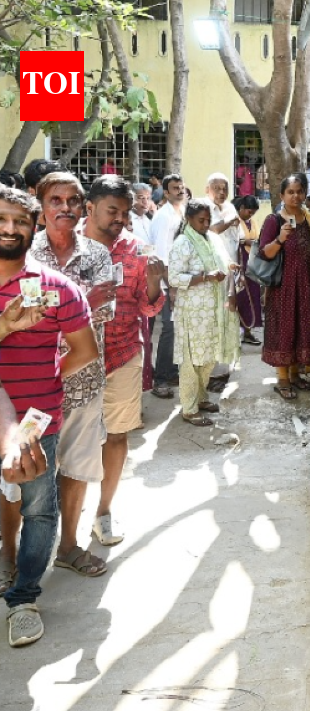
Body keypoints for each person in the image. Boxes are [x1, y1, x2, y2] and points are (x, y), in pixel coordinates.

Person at [0, 185, 98, 648]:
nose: (10, 229)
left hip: (38, 422)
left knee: (40, 509)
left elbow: (85, 350)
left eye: (21, 221)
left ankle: (23, 598)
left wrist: (48, 384)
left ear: (34, 226)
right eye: (2, 219)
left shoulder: (59, 288)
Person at [29, 173, 116, 579]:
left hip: (83, 381)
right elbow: (23, 319)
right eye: (55, 199)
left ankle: (68, 547)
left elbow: (104, 310)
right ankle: (14, 559)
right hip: (29, 386)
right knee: (24, 475)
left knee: (77, 467)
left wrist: (53, 307)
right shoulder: (23, 254)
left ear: (83, 208)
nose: (65, 207)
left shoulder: (98, 254)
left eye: (73, 201)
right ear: (41, 204)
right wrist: (79, 301)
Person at [82, 175, 165, 551]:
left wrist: (152, 282)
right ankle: (57, 519)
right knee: (69, 443)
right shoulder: (68, 246)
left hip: (124, 352)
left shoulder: (134, 248)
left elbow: (149, 306)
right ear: (90, 208)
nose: (119, 219)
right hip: (73, 360)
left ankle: (103, 510)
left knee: (117, 436)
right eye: (112, 211)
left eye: (125, 212)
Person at [167, 201, 239, 426]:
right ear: (189, 218)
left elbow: (222, 261)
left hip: (213, 309)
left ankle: (201, 397)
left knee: (208, 357)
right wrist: (206, 277)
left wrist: (230, 267)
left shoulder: (212, 238)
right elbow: (174, 278)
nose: (206, 224)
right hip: (192, 312)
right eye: (201, 220)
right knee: (191, 361)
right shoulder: (183, 242)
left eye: (208, 220)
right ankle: (189, 409)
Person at [259, 174, 310, 399]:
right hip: (283, 288)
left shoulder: (309, 219)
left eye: (300, 191)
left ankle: (295, 375)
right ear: (281, 195)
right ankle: (283, 379)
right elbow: (263, 253)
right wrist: (280, 239)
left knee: (301, 328)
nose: (296, 196)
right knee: (284, 330)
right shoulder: (273, 221)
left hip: (306, 286)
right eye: (291, 192)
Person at [148, 173, 186, 399]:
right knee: (168, 329)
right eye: (174, 188)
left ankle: (171, 371)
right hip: (166, 281)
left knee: (176, 329)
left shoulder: (179, 212)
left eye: (181, 187)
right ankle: (160, 379)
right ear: (165, 191)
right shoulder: (163, 217)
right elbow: (161, 255)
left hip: (178, 279)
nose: (179, 191)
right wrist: (170, 287)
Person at [205, 173, 243, 393]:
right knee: (214, 320)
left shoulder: (229, 206)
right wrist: (229, 222)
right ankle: (212, 374)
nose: (221, 192)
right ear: (208, 189)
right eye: (217, 188)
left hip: (231, 268)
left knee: (229, 317)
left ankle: (224, 369)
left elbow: (235, 238)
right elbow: (213, 229)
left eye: (224, 188)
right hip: (213, 273)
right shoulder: (205, 208)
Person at [231, 195, 263, 345]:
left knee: (253, 295)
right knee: (241, 295)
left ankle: (249, 330)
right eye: (249, 212)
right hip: (239, 259)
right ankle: (238, 331)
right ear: (242, 208)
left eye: (253, 213)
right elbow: (233, 240)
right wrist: (246, 241)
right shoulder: (234, 220)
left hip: (252, 262)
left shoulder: (253, 222)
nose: (251, 215)